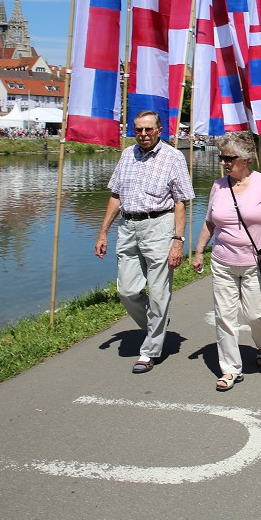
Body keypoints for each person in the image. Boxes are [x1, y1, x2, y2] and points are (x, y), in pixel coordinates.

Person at [95, 110, 194, 374]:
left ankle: (149, 352)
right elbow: (116, 195)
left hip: (160, 225)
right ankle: (157, 324)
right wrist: (103, 232)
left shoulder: (173, 157)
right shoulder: (127, 154)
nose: (143, 134)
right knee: (126, 291)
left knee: (159, 292)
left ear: (159, 130)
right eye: (138, 129)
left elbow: (181, 202)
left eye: (148, 129)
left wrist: (177, 241)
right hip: (128, 226)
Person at [192, 132, 261, 391]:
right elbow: (210, 222)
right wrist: (199, 251)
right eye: (222, 157)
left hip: (255, 261)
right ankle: (231, 369)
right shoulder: (218, 186)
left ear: (245, 159)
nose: (223, 162)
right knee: (224, 316)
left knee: (256, 314)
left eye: (229, 157)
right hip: (223, 261)